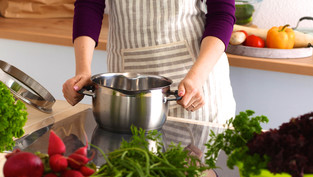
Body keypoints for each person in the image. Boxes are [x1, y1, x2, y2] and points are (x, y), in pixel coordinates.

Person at [63, 0, 236, 124]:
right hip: (127, 95)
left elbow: (222, 14)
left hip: (196, 83)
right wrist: (83, 71)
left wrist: (196, 77)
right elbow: (89, 4)